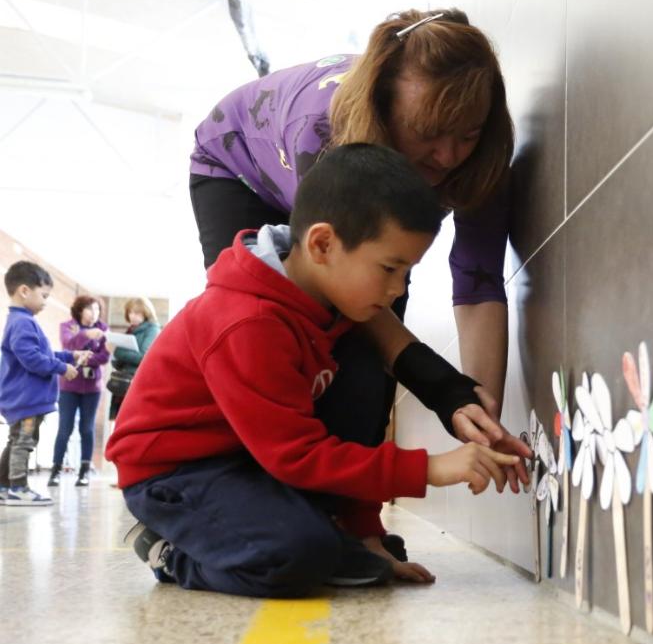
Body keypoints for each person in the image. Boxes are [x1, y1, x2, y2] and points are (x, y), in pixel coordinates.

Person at [106, 144, 519, 598]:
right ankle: (167, 551)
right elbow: (297, 455)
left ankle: (329, 540)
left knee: (333, 545)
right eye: (389, 267)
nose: (397, 289)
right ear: (322, 244)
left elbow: (349, 427)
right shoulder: (249, 321)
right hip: (173, 473)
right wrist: (431, 469)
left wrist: (368, 533)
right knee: (296, 556)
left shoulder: (329, 304)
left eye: (407, 271)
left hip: (246, 458)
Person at [189, 7, 530, 551]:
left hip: (342, 195)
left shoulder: (478, 153)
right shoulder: (324, 132)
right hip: (238, 168)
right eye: (428, 134)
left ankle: (353, 521)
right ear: (383, 110)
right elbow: (340, 296)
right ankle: (233, 499)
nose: (447, 156)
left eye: (465, 134)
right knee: (279, 327)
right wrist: (441, 388)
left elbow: (479, 278)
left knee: (377, 323)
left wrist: (475, 409)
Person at [1, 261, 88, 506]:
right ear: (24, 291)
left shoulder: (21, 321)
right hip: (26, 399)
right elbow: (32, 359)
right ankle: (18, 488)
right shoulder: (23, 323)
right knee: (24, 442)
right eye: (44, 295)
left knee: (16, 441)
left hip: (23, 398)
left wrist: (70, 356)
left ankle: (4, 486)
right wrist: (63, 368)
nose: (46, 301)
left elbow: (43, 354)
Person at [49, 295, 110, 487]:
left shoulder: (103, 329)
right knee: (64, 428)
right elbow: (68, 346)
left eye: (97, 310)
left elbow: (104, 357)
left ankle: (84, 472)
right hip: (69, 385)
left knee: (87, 428)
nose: (94, 314)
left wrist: (86, 356)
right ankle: (55, 471)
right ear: (80, 310)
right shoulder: (67, 326)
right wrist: (85, 336)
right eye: (90, 309)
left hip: (93, 387)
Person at [107, 297, 161, 419]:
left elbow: (144, 357)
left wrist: (117, 351)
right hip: (123, 383)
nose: (132, 316)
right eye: (130, 312)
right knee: (119, 421)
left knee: (132, 420)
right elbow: (122, 363)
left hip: (137, 382)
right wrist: (114, 356)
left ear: (146, 313)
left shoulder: (152, 330)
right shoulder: (132, 330)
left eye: (136, 313)